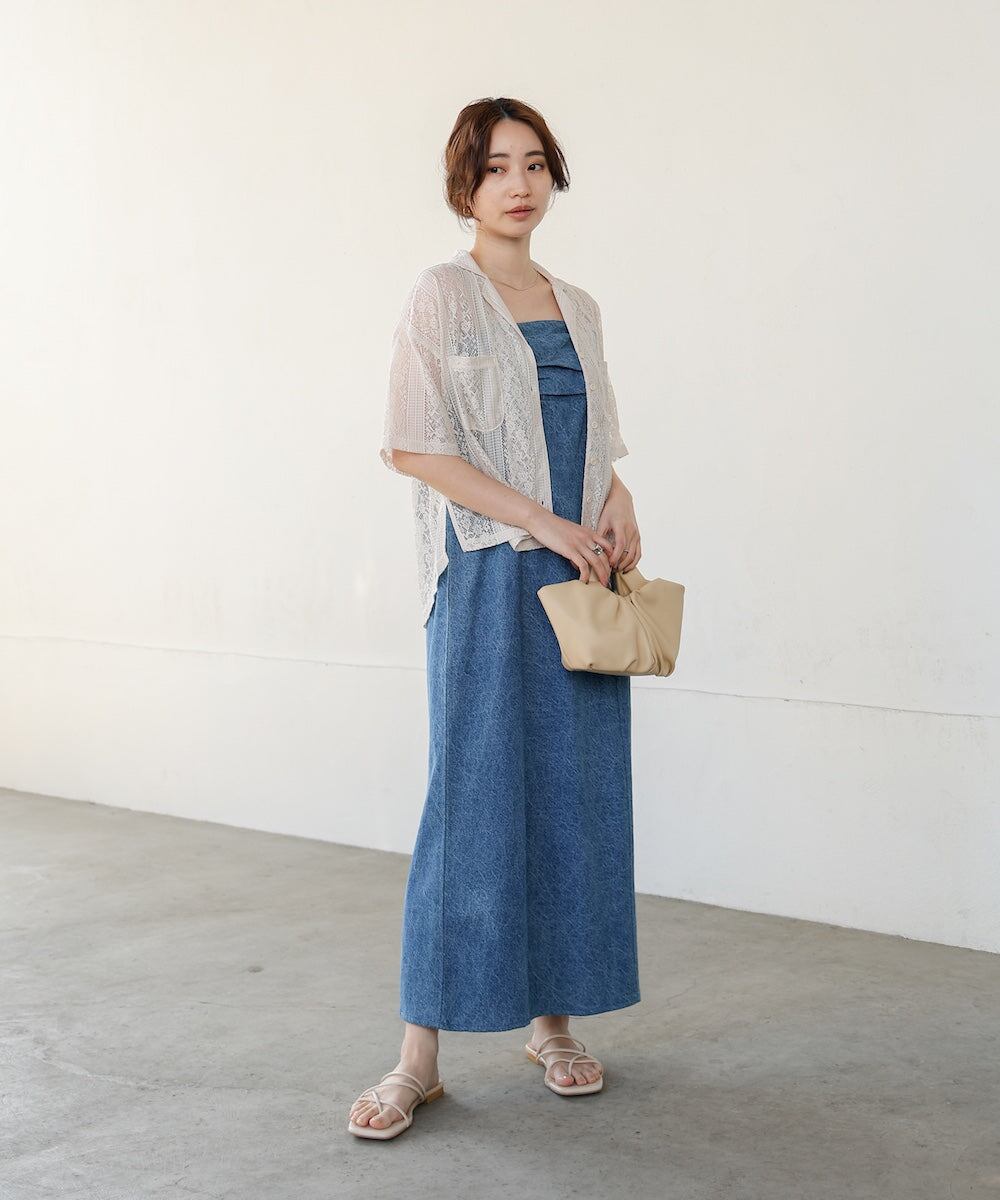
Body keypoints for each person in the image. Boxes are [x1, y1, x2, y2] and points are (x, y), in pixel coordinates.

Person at [349, 97, 643, 1140]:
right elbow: (412, 445)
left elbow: (595, 437)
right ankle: (417, 1057)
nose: (518, 185)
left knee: (572, 796)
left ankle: (551, 1027)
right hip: (483, 578)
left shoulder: (579, 305)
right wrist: (541, 520)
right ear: (463, 187)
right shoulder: (442, 295)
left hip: (579, 577)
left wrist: (616, 503)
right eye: (494, 168)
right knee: (470, 800)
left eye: (534, 164)